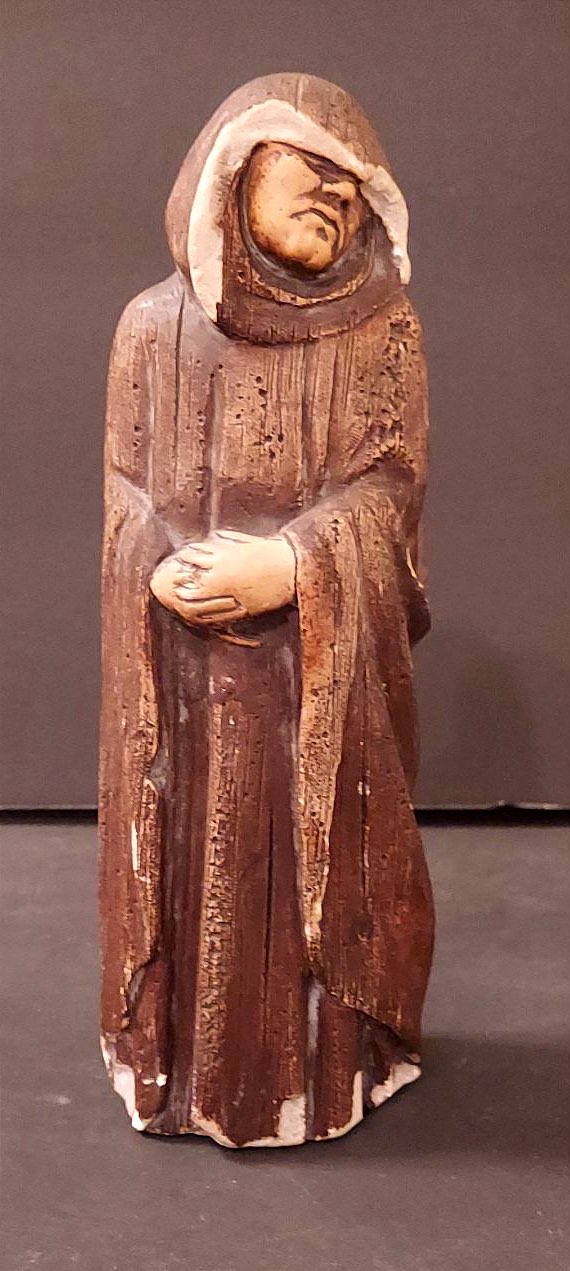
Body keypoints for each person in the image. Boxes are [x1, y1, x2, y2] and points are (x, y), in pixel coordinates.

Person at [100, 73, 434, 1148]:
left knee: (309, 871)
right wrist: (153, 564)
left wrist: (295, 562)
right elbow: (124, 491)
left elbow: (390, 493)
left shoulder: (383, 334)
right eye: (312, 167)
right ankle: (177, 1069)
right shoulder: (152, 328)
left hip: (315, 679)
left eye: (355, 184)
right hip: (185, 673)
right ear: (235, 168)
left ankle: (322, 1075)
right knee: (190, 865)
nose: (335, 194)